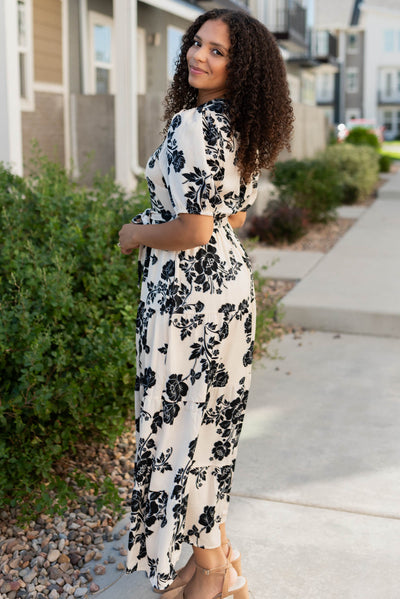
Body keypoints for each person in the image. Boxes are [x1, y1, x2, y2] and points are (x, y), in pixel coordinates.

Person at [118, 8, 293, 599]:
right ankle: (216, 563)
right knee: (206, 426)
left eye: (217, 51)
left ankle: (213, 569)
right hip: (226, 289)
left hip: (189, 294)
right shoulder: (242, 125)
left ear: (240, 66)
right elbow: (234, 217)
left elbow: (192, 232)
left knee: (184, 427)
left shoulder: (195, 126)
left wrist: (136, 233)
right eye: (197, 43)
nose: (199, 54)